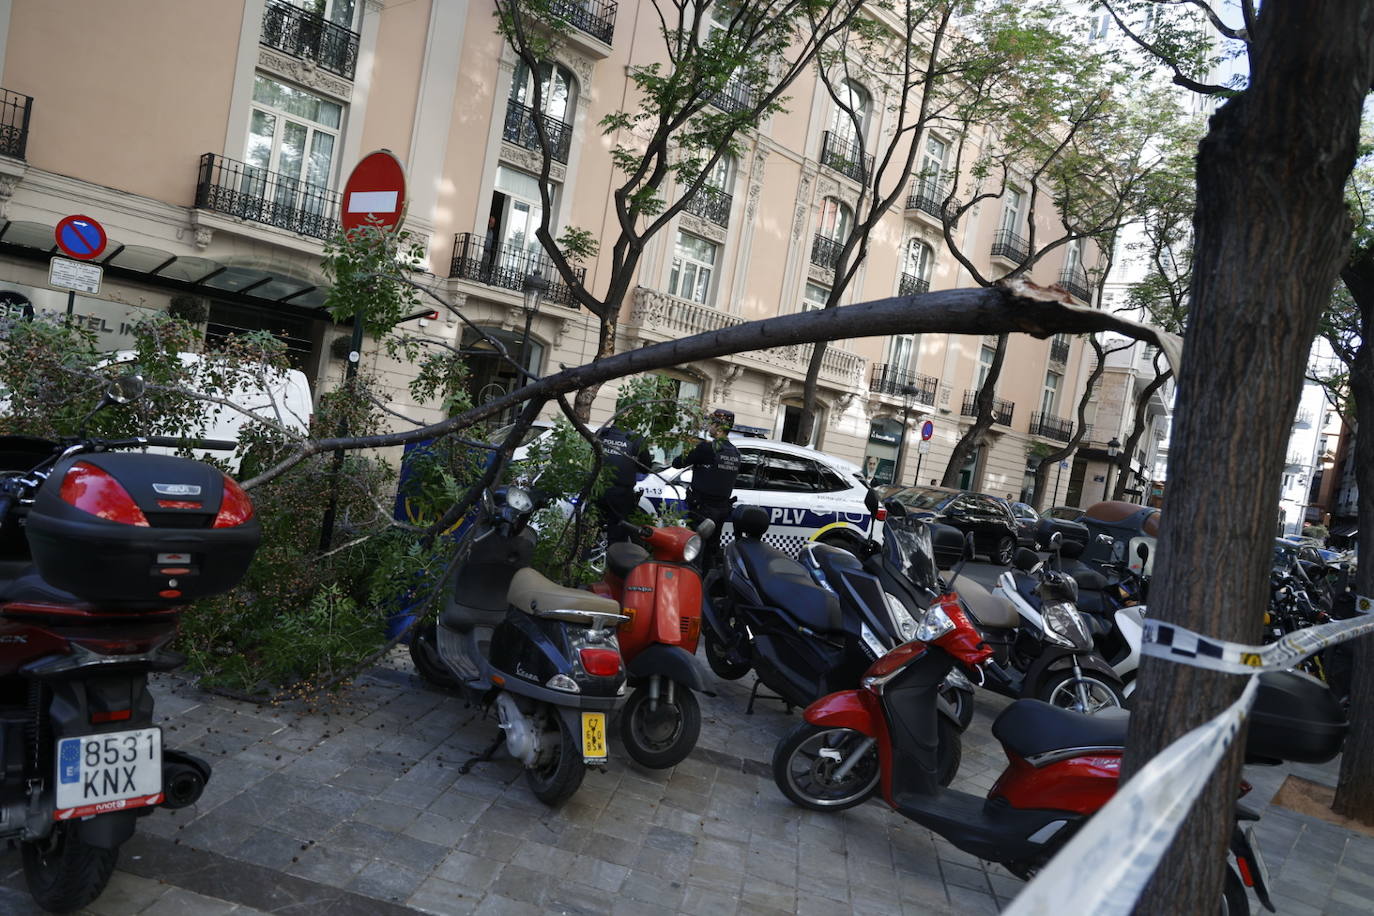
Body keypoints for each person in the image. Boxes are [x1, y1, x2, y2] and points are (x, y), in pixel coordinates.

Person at [673, 408, 741, 568]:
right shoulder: (735, 453)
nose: (708, 426)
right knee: (710, 553)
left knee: (694, 552)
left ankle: (690, 587)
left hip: (701, 510)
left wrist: (690, 447)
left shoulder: (708, 448)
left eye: (711, 423)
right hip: (720, 511)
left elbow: (677, 463)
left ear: (718, 427)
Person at [595, 423, 651, 543]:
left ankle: (584, 559)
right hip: (621, 494)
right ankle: (613, 559)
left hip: (597, 489)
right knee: (618, 534)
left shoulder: (602, 433)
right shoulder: (636, 439)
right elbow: (646, 467)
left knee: (590, 529)